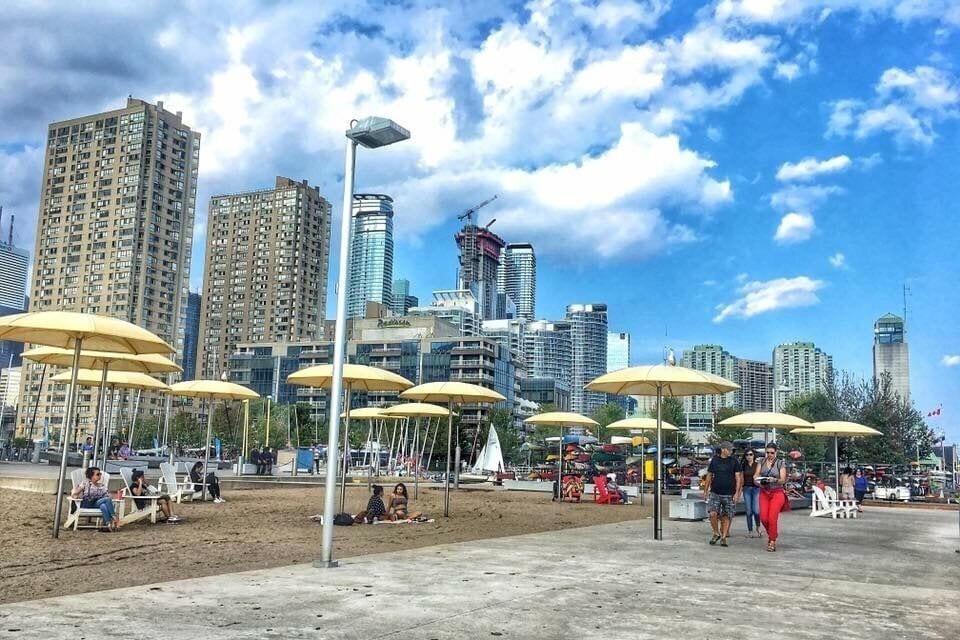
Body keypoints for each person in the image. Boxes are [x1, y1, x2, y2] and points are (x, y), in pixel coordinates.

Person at [702, 441, 742, 547]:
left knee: (726, 515)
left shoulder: (734, 461)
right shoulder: (715, 460)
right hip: (715, 491)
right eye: (729, 450)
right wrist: (705, 490)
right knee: (712, 513)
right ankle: (716, 532)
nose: (731, 451)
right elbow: (709, 475)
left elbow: (738, 477)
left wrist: (737, 492)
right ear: (723, 449)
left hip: (729, 493)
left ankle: (723, 536)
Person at [756, 443, 788, 552]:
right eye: (768, 452)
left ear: (776, 452)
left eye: (772, 453)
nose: (769, 455)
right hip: (764, 491)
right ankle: (773, 533)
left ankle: (772, 541)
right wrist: (758, 479)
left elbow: (783, 479)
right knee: (763, 517)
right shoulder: (762, 461)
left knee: (772, 517)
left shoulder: (780, 463)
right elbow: (756, 475)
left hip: (777, 491)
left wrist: (774, 480)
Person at [71, 466, 121, 532]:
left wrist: (111, 495)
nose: (100, 476)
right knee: (107, 500)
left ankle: (108, 524)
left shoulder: (102, 486)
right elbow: (75, 493)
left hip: (96, 504)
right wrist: (74, 494)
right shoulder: (85, 483)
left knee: (103, 505)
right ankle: (115, 518)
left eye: (100, 474)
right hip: (87, 503)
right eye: (97, 474)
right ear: (91, 476)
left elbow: (106, 495)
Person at [741, 449, 762, 538]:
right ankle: (750, 530)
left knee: (756, 511)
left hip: (756, 488)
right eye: (747, 455)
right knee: (749, 511)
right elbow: (741, 477)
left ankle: (758, 526)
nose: (749, 456)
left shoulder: (757, 465)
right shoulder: (743, 465)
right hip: (746, 488)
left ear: (754, 455)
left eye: (751, 454)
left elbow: (760, 475)